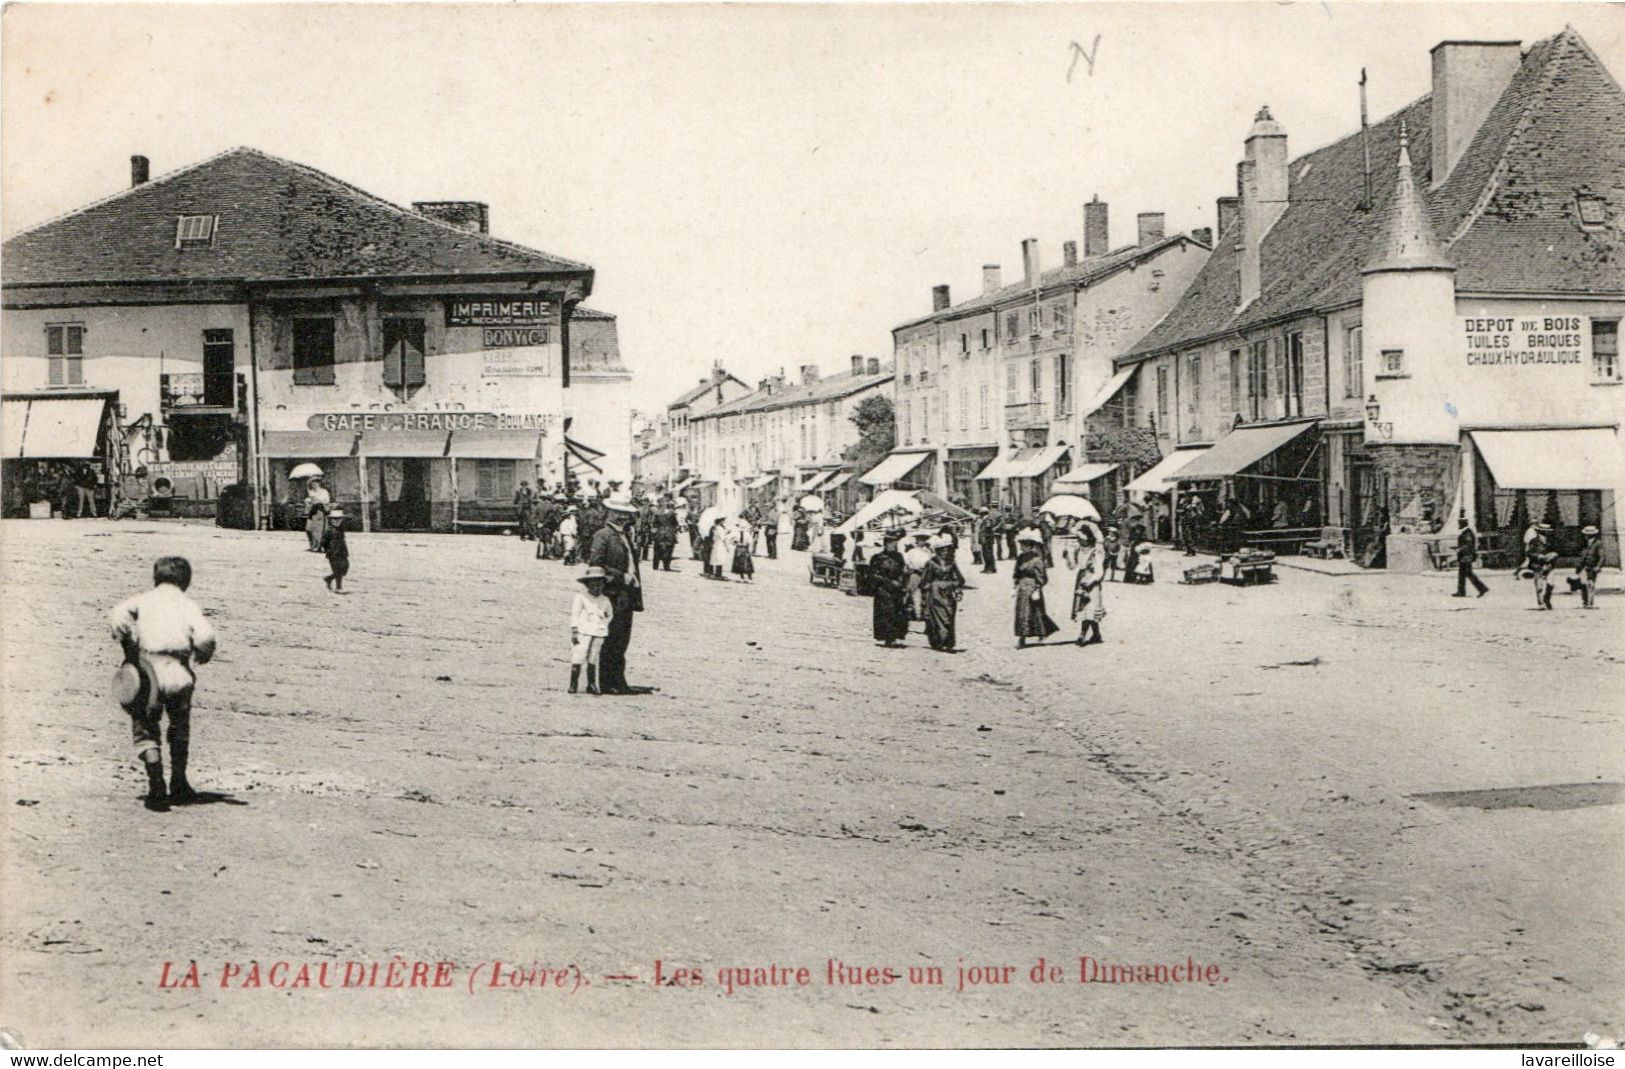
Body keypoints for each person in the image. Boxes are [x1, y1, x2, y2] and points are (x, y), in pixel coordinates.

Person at [109, 556, 217, 811]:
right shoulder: (188, 605)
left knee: (145, 726)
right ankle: (179, 783)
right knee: (179, 727)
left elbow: (117, 616)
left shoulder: (142, 600)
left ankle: (156, 782)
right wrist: (202, 655)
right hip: (179, 671)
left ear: (156, 578)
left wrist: (129, 647)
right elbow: (206, 637)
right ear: (186, 581)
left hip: (149, 672)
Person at [587, 493, 644, 695]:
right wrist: (621, 577)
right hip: (611, 594)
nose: (622, 517)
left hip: (626, 595)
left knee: (621, 640)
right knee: (610, 639)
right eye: (618, 513)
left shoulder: (625, 536)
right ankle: (606, 682)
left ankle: (618, 681)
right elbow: (595, 566)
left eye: (625, 514)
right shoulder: (603, 536)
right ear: (609, 513)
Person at [569, 566, 613, 695]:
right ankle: (573, 683)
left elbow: (610, 614)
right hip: (583, 630)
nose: (597, 587)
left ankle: (591, 683)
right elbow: (575, 614)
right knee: (579, 655)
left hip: (598, 631)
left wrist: (604, 623)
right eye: (593, 583)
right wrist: (575, 629)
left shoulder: (605, 600)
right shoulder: (581, 597)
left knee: (593, 657)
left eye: (600, 584)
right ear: (587, 584)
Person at [1013, 533, 1059, 648]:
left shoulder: (1037, 560)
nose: (1021, 547)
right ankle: (1025, 636)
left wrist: (1038, 587)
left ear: (1029, 546)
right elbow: (1016, 572)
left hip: (1032, 587)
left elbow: (1042, 577)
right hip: (1022, 588)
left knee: (1033, 612)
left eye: (1023, 545)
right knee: (1022, 612)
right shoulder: (1020, 558)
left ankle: (1025, 638)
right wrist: (1015, 585)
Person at [920, 538, 966, 652]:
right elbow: (924, 580)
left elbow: (959, 578)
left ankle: (948, 641)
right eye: (943, 550)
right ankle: (940, 642)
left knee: (949, 616)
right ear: (938, 551)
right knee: (937, 618)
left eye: (947, 550)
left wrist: (956, 585)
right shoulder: (930, 563)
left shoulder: (951, 562)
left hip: (948, 594)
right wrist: (926, 592)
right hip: (935, 594)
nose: (945, 552)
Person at [869, 530, 911, 647]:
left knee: (897, 613)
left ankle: (895, 636)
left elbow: (902, 571)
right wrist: (889, 582)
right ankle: (887, 638)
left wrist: (903, 581)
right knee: (885, 613)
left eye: (896, 543)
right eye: (892, 543)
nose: (895, 545)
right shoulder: (877, 558)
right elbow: (873, 574)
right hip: (883, 590)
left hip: (897, 590)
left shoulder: (899, 557)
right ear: (886, 544)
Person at [1071, 523, 1106, 646]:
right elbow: (1072, 567)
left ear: (1089, 538)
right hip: (1081, 580)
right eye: (1078, 539)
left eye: (1082, 539)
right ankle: (1096, 634)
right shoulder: (1079, 551)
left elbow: (1099, 572)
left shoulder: (1096, 552)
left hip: (1092, 582)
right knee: (1085, 609)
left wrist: (1090, 581)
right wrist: (1069, 554)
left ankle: (1082, 634)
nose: (1080, 541)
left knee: (1089, 608)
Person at [1452, 516, 1488, 598]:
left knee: (1468, 573)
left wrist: (1459, 549)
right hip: (1464, 556)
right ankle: (1461, 591)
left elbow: (1468, 545)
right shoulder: (1466, 532)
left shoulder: (1467, 533)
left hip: (1466, 556)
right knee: (1462, 574)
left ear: (1463, 524)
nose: (1458, 525)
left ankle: (1482, 589)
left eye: (1459, 524)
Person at [1526, 522, 1559, 610]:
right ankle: (1541, 603)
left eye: (1547, 532)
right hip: (1538, 565)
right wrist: (1538, 556)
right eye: (1543, 531)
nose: (1545, 533)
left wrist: (1554, 554)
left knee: (1550, 583)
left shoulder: (1551, 541)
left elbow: (1557, 550)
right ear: (1539, 532)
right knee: (1539, 585)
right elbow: (1529, 553)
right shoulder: (1534, 541)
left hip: (1549, 565)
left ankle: (1547, 599)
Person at [904, 532, 934, 620]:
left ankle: (925, 614)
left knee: (926, 594)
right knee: (914, 594)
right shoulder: (912, 551)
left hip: (926, 574)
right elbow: (907, 564)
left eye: (923, 540)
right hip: (915, 573)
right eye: (920, 540)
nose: (921, 542)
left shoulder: (929, 552)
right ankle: (917, 615)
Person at [319, 506, 350, 593]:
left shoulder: (341, 529)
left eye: (339, 519)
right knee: (337, 569)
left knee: (345, 567)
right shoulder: (330, 530)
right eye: (334, 519)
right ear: (331, 520)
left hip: (342, 551)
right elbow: (323, 542)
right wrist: (327, 550)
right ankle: (338, 587)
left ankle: (329, 578)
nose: (336, 521)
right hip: (333, 552)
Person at [1576, 524, 1604, 609]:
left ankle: (1590, 603)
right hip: (1584, 567)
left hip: (1592, 567)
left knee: (1590, 584)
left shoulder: (1598, 543)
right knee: (1583, 584)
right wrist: (1579, 567)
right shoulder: (1585, 544)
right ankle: (1585, 602)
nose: (1585, 536)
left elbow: (1602, 556)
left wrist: (1598, 566)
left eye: (1586, 534)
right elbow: (1582, 556)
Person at [651, 500, 680, 571]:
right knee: (668, 549)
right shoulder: (672, 513)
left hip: (659, 532)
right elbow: (675, 523)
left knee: (657, 549)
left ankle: (655, 565)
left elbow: (654, 523)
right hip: (669, 532)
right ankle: (666, 566)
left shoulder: (657, 513)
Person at [304, 477, 331, 552]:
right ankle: (313, 544)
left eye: (315, 483)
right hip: (312, 511)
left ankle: (319, 546)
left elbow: (326, 501)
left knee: (319, 530)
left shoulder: (324, 492)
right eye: (312, 483)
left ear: (319, 484)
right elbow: (309, 501)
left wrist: (317, 499)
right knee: (309, 528)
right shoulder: (311, 492)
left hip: (320, 510)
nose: (314, 485)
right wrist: (308, 500)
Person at [977, 508, 998, 575]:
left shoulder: (987, 520)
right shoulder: (986, 519)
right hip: (986, 540)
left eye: (980, 513)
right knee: (987, 554)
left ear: (983, 513)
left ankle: (990, 569)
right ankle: (989, 568)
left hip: (987, 540)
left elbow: (988, 528)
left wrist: (985, 538)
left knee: (987, 554)